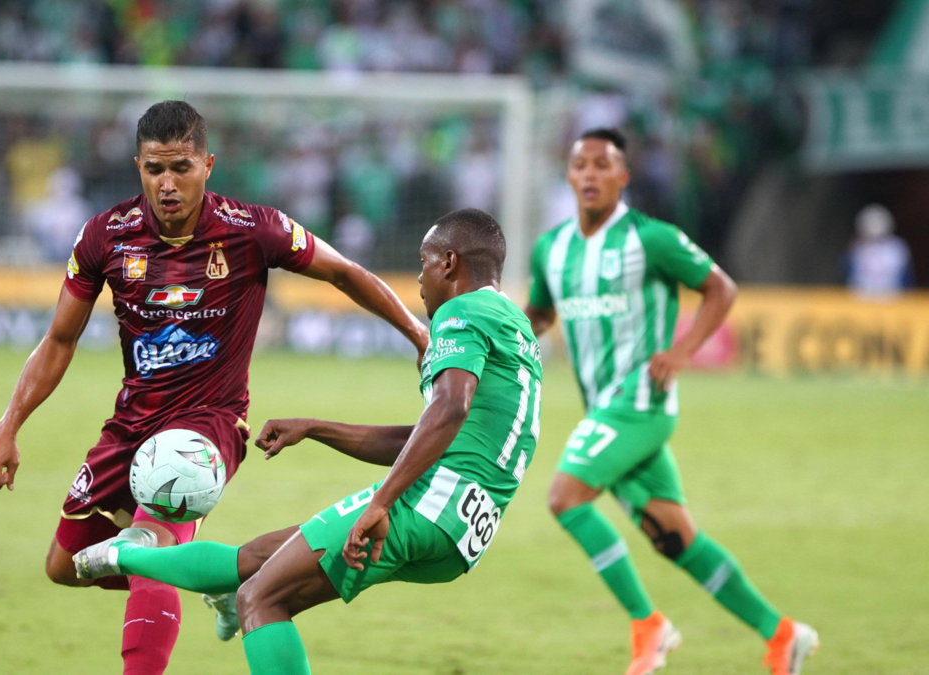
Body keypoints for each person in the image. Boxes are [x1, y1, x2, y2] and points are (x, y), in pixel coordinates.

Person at [0, 101, 429, 675]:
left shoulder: (252, 229)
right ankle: (218, 575)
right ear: (138, 167)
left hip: (209, 425)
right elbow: (60, 340)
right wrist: (7, 428)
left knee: (147, 547)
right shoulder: (106, 236)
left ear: (207, 165)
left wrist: (418, 333)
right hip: (131, 425)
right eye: (154, 169)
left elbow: (344, 271)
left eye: (181, 168)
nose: (167, 184)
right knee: (65, 566)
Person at [73, 208, 543, 675]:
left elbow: (449, 408)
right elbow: (434, 434)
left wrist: (380, 502)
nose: (420, 278)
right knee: (259, 560)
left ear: (449, 262)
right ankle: (137, 560)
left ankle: (121, 553)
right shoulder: (515, 325)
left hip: (430, 503)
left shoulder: (463, 310)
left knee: (261, 598)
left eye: (424, 262)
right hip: (465, 528)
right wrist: (317, 428)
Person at [525, 128, 819, 675]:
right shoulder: (551, 249)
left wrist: (683, 351)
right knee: (675, 539)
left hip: (642, 401)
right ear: (568, 175)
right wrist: (505, 337)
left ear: (623, 176)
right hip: (604, 409)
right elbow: (540, 313)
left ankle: (648, 625)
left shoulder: (652, 239)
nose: (590, 174)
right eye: (580, 165)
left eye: (602, 165)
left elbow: (721, 288)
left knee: (565, 498)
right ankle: (782, 634)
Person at [846, 203, 913, 298]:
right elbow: (847, 274)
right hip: (861, 299)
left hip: (892, 298)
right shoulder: (857, 247)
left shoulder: (897, 247)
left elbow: (906, 278)